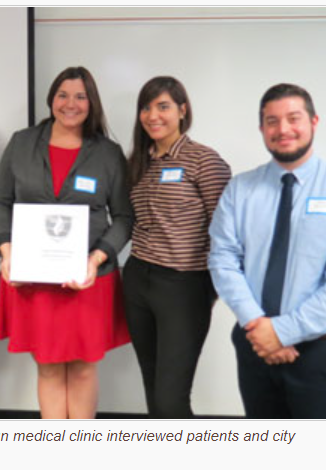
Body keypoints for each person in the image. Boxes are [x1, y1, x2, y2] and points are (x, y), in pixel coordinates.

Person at [0, 66, 132, 419]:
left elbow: (125, 218)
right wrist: (8, 253)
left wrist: (95, 259)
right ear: (51, 99)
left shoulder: (108, 153)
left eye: (80, 96)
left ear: (92, 102)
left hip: (88, 278)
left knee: (83, 368)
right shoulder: (22, 143)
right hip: (33, 278)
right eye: (63, 95)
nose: (71, 104)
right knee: (49, 366)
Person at [209, 83, 326, 419]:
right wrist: (259, 326)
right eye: (272, 121)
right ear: (261, 129)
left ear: (314, 121)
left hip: (319, 348)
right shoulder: (240, 189)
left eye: (293, 118)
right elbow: (223, 259)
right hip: (253, 342)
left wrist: (282, 332)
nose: (283, 129)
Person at [123, 76, 231, 418]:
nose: (153, 115)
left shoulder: (204, 160)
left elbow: (226, 231)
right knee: (154, 390)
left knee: (171, 399)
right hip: (138, 279)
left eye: (163, 106)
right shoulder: (138, 162)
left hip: (184, 286)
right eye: (146, 107)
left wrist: (210, 290)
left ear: (183, 111)